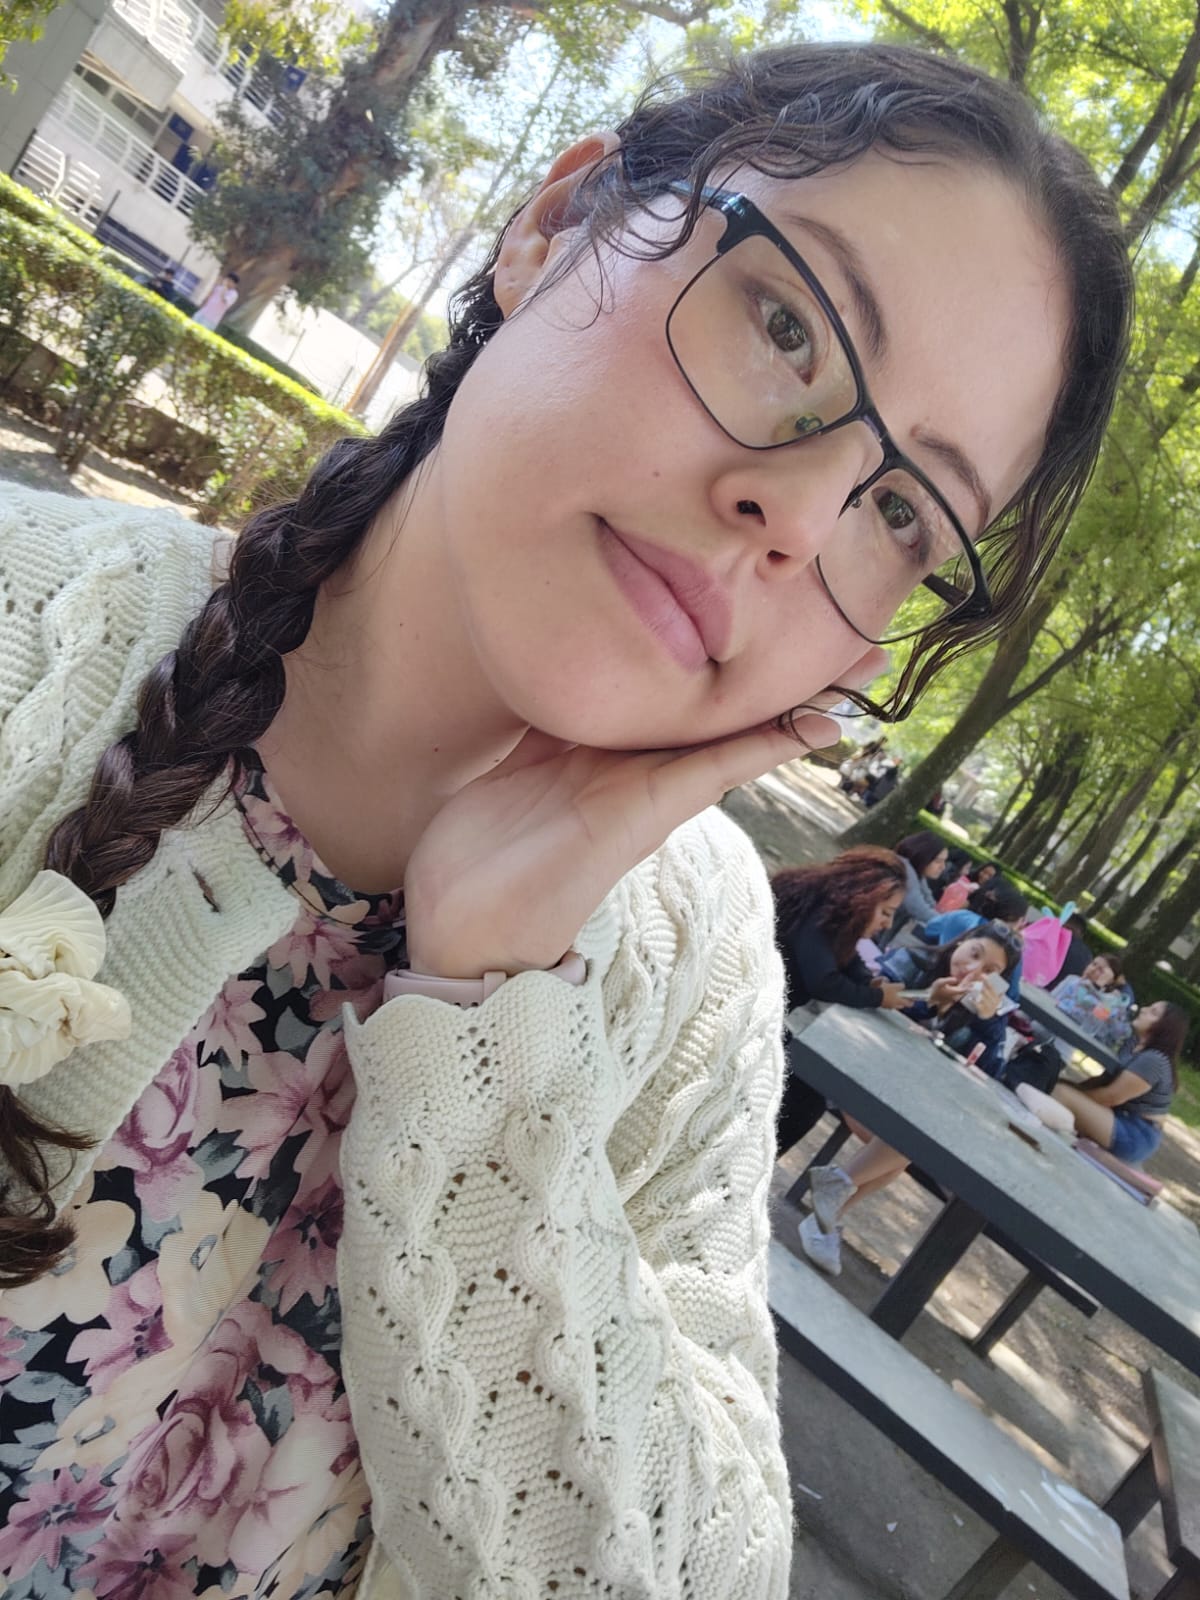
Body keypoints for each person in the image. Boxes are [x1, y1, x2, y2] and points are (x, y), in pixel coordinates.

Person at [0, 40, 1132, 1597]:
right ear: (555, 225)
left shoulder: (698, 972)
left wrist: (495, 1017)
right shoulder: (29, 633)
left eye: (900, 512)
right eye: (789, 324)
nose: (800, 515)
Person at [799, 923, 1024, 1274]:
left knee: (906, 1149)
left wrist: (988, 1021)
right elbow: (870, 1004)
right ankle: (827, 1209)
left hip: (904, 1097)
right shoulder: (912, 962)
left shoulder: (980, 1008)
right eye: (974, 954)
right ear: (963, 941)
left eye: (990, 971)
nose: (973, 970)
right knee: (908, 1143)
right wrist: (928, 1001)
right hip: (853, 1068)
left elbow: (988, 1073)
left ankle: (827, 1213)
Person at [773, 847, 909, 1155]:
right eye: (886, 912)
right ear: (864, 898)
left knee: (809, 1092)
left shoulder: (831, 916)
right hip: (743, 1019)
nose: (888, 924)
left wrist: (870, 983)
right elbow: (824, 982)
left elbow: (849, 963)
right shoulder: (816, 915)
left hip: (764, 1018)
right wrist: (876, 997)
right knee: (804, 1098)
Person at [1051, 1001, 1187, 1165]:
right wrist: (1074, 1090)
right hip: (1118, 1115)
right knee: (1058, 1086)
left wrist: (1073, 1094)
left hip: (1136, 1133)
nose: (1143, 1009)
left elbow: (1111, 1097)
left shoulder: (1154, 1060)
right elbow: (1106, 1079)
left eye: (1153, 1012)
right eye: (1148, 1007)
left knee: (1060, 1092)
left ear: (1164, 1028)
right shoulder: (1133, 1043)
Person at [892, 830, 949, 929]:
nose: (943, 867)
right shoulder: (904, 870)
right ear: (923, 856)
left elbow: (929, 900)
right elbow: (918, 908)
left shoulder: (917, 874)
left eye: (944, 861)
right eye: (938, 861)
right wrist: (950, 925)